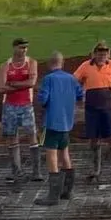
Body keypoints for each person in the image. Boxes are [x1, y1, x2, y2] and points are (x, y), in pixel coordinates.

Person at [73, 41, 111, 183]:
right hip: (91, 107)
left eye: (104, 54)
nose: (101, 56)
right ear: (94, 53)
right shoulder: (86, 66)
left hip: (107, 106)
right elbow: (74, 80)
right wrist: (79, 94)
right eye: (99, 53)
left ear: (108, 54)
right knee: (94, 138)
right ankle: (96, 170)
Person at [34, 52, 83, 205]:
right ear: (62, 63)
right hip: (67, 123)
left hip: (52, 122)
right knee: (65, 153)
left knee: (51, 155)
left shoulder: (48, 79)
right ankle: (67, 192)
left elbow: (43, 99)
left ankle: (53, 196)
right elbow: (80, 96)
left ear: (50, 64)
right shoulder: (72, 79)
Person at [0, 38, 39, 181]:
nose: (24, 50)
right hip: (9, 105)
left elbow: (31, 83)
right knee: (11, 136)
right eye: (21, 47)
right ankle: (16, 170)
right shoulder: (5, 65)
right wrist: (23, 84)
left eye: (26, 48)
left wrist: (13, 84)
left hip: (26, 104)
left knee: (32, 135)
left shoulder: (31, 63)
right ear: (14, 48)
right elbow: (1, 88)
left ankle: (36, 171)